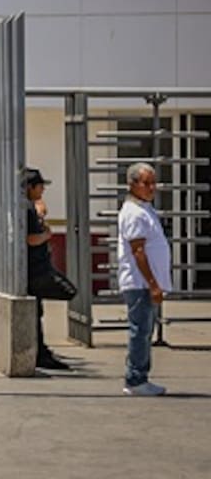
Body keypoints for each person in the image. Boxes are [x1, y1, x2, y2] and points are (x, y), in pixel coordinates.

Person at [117, 162, 172, 396]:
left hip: (145, 283)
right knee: (140, 331)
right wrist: (153, 284)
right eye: (146, 183)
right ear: (132, 184)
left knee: (144, 330)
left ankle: (139, 377)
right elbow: (138, 251)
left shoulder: (145, 209)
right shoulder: (134, 213)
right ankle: (136, 379)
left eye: (153, 183)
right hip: (139, 283)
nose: (151, 188)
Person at [21, 167, 76, 371]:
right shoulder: (27, 209)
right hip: (36, 270)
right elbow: (30, 239)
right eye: (40, 186)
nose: (43, 190)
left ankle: (41, 353)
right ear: (30, 187)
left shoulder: (30, 207)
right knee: (68, 290)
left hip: (37, 268)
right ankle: (40, 354)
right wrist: (46, 236)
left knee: (37, 312)